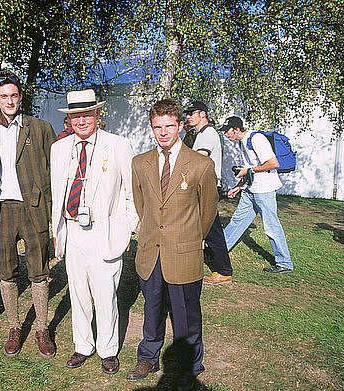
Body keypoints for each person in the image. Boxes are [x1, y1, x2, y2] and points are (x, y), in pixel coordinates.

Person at [126, 99, 218, 390]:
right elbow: (142, 206)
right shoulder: (140, 163)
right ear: (152, 128)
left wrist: (189, 239)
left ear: (181, 126)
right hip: (150, 252)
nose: (163, 132)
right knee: (152, 309)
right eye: (157, 127)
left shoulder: (201, 164)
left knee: (186, 314)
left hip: (184, 252)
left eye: (169, 126)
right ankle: (148, 355)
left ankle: (188, 366)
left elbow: (208, 211)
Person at [0, 70, 57, 359]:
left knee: (39, 270)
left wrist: (58, 208)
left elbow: (56, 171)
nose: (10, 100)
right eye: (3, 95)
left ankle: (42, 328)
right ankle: (14, 326)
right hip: (0, 210)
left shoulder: (41, 128)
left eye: (14, 95)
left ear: (21, 97)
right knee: (6, 272)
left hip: (33, 209)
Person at [51, 89, 138, 375]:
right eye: (76, 115)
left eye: (87, 114)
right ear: (69, 119)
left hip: (105, 232)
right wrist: (58, 230)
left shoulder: (118, 146)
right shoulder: (59, 148)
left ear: (98, 115)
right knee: (78, 293)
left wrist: (126, 229)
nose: (81, 120)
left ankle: (108, 349)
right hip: (73, 230)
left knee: (105, 295)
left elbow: (131, 194)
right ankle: (82, 346)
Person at [220, 116, 294, 273]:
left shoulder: (257, 139)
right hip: (251, 189)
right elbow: (250, 168)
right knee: (237, 221)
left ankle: (285, 263)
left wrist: (250, 171)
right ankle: (219, 252)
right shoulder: (243, 142)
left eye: (227, 132)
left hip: (265, 190)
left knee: (271, 226)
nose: (226, 135)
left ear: (236, 129)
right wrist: (239, 187)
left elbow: (273, 163)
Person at [184, 101, 233, 285]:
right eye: (186, 113)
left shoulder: (207, 133)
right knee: (202, 227)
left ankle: (224, 271)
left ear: (202, 114)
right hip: (205, 186)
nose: (188, 116)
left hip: (207, 187)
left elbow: (199, 159)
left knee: (212, 230)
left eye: (191, 113)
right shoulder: (202, 134)